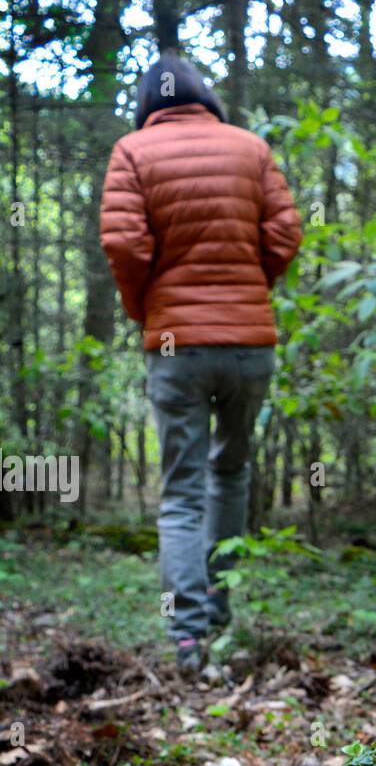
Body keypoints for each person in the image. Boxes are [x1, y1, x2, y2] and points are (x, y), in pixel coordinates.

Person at [99, 53, 302, 677]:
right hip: (250, 345)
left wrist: (147, 308)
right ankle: (219, 609)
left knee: (181, 492)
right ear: (206, 98)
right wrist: (247, 287)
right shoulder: (250, 147)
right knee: (231, 473)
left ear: (149, 105)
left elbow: (123, 243)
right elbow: (286, 232)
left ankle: (187, 640)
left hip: (176, 347)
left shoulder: (132, 152)